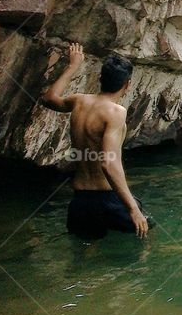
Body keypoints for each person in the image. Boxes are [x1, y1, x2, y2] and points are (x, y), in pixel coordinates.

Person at [42, 43, 150, 239]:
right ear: (127, 85)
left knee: (83, 253)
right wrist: (133, 208)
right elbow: (108, 163)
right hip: (107, 200)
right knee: (148, 235)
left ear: (100, 79)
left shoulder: (78, 101)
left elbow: (49, 98)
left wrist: (73, 66)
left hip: (80, 199)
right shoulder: (116, 112)